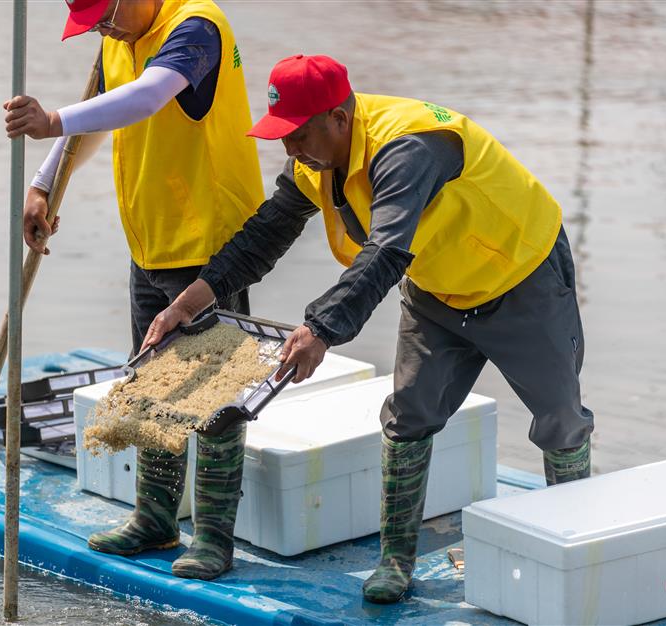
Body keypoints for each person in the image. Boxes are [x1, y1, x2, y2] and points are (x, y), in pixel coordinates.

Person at [144, 54, 595, 600]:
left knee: (560, 417)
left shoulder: (409, 147)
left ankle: (577, 551)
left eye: (299, 134)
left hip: (521, 277)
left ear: (339, 117)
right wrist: (190, 302)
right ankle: (395, 561)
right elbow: (266, 233)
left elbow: (385, 249)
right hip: (436, 290)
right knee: (408, 417)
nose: (290, 149)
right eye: (282, 137)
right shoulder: (316, 160)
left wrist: (320, 330)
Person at [3, 0, 263, 580]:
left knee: (215, 396)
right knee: (149, 381)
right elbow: (98, 115)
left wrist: (50, 120)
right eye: (92, 22)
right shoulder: (116, 38)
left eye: (104, 16)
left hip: (211, 246)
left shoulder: (195, 28)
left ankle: (215, 537)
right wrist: (45, 182)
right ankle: (155, 518)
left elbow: (146, 97)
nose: (101, 28)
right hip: (152, 239)